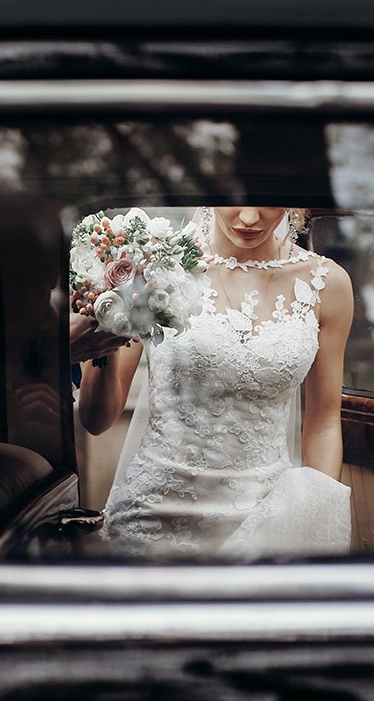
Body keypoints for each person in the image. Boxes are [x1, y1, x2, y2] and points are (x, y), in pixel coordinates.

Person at [78, 206, 354, 561]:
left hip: (265, 523)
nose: (249, 218)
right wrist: (107, 320)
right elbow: (96, 420)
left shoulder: (327, 283)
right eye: (235, 198)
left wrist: (315, 523)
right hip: (153, 519)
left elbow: (323, 423)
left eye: (266, 201)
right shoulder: (152, 267)